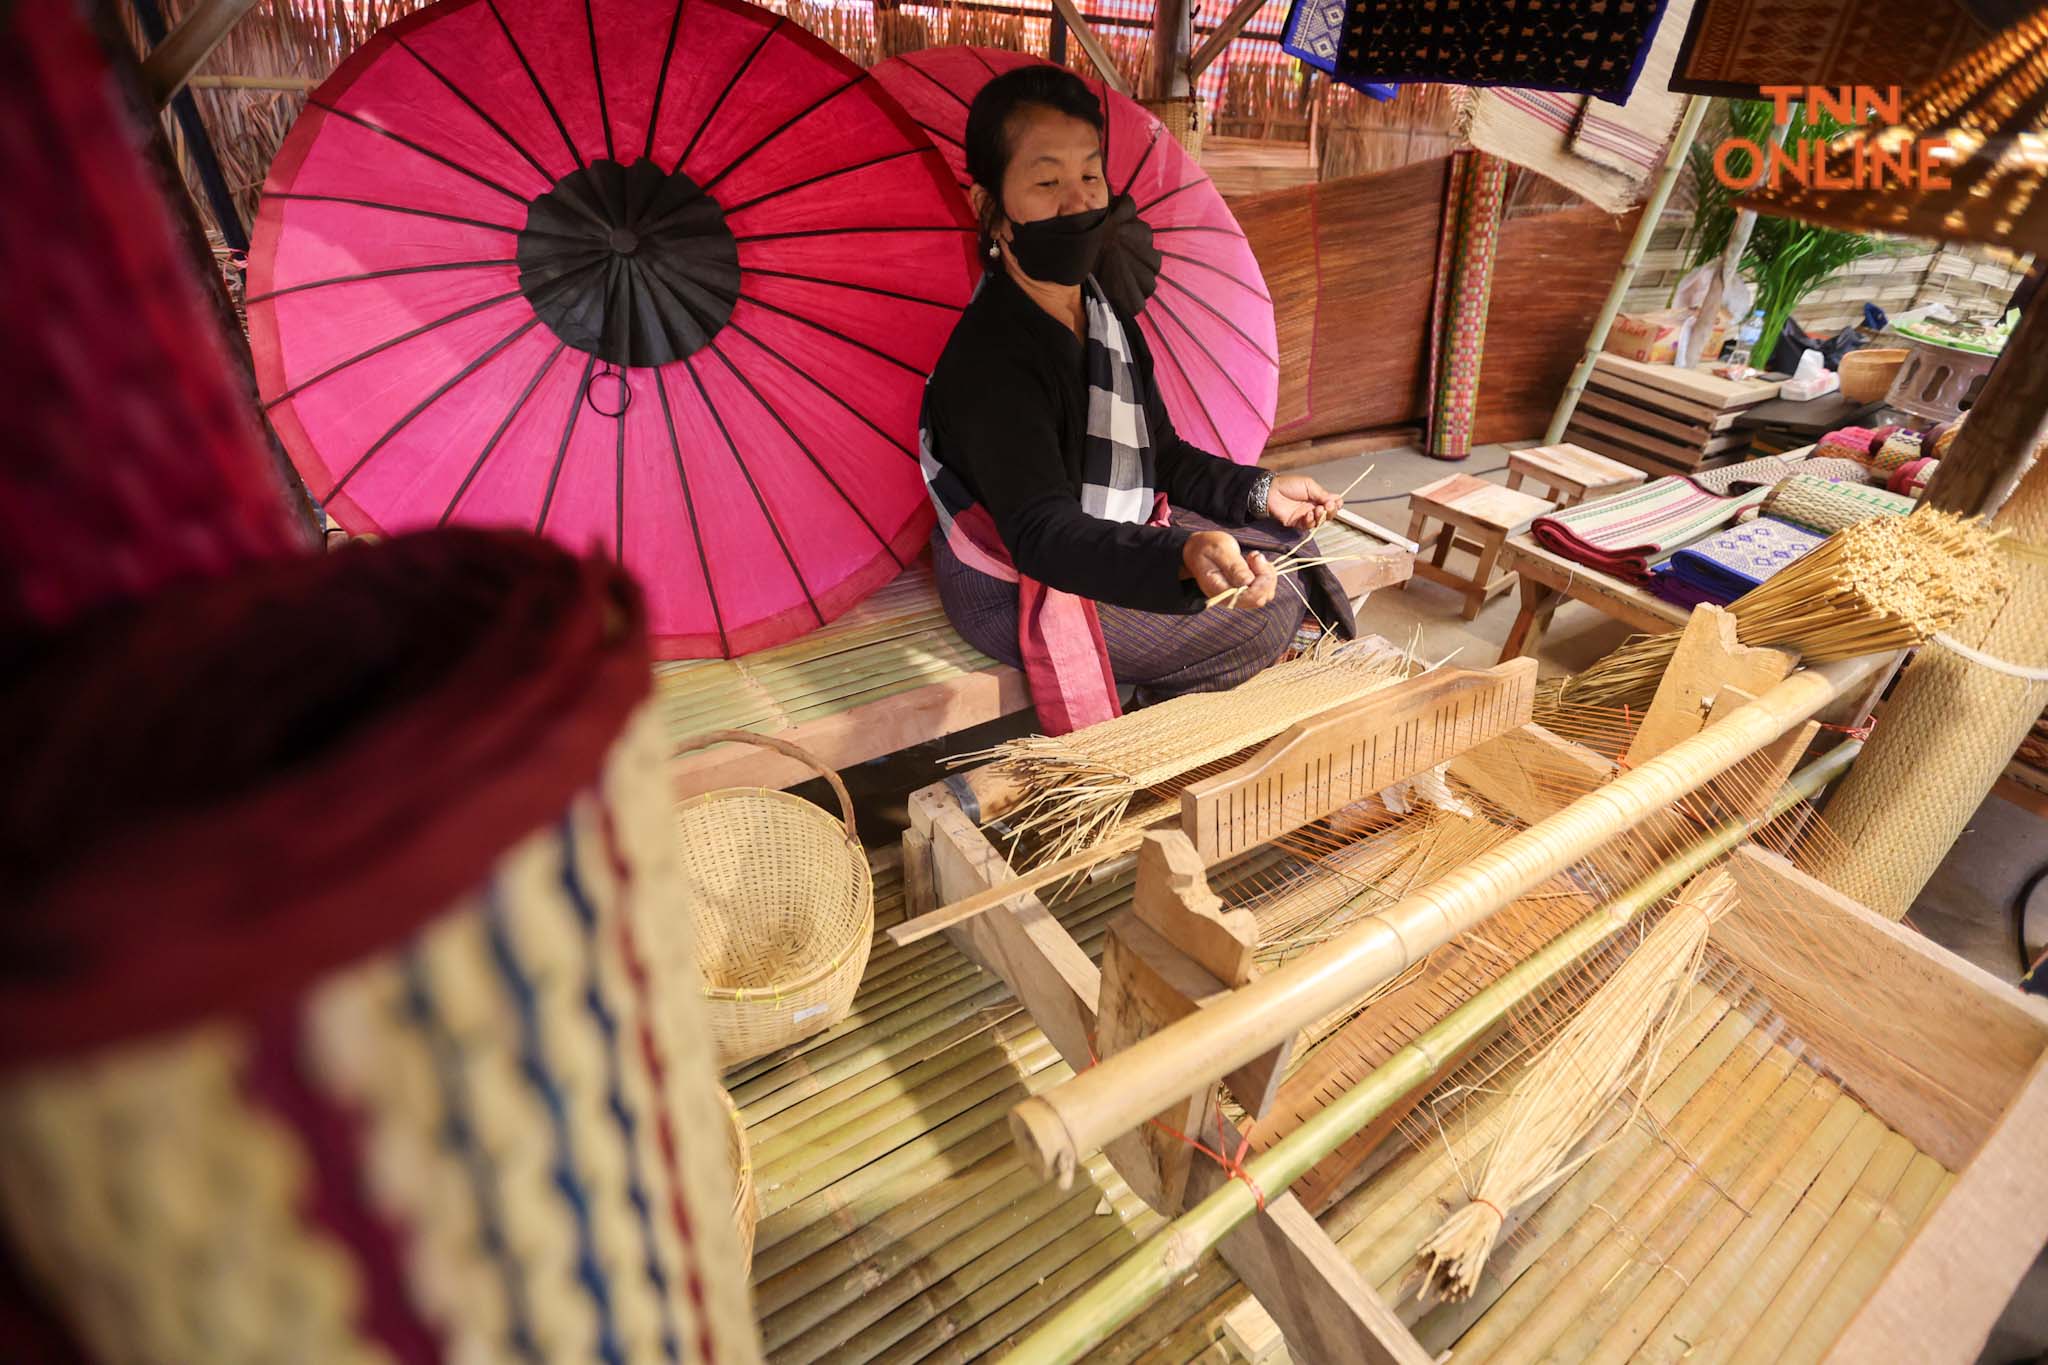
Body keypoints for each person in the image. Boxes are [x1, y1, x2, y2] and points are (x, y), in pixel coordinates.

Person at [919, 65, 1356, 733]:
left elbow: (1166, 458)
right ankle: (1154, 717)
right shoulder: (991, 359)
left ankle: (1182, 673)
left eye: (1090, 176)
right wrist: (1174, 558)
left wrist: (1263, 490)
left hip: (1096, 528)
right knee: (1266, 614)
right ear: (991, 210)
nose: (1076, 202)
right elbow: (1041, 534)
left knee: (1283, 542)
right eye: (1045, 181)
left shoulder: (1102, 314)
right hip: (1011, 579)